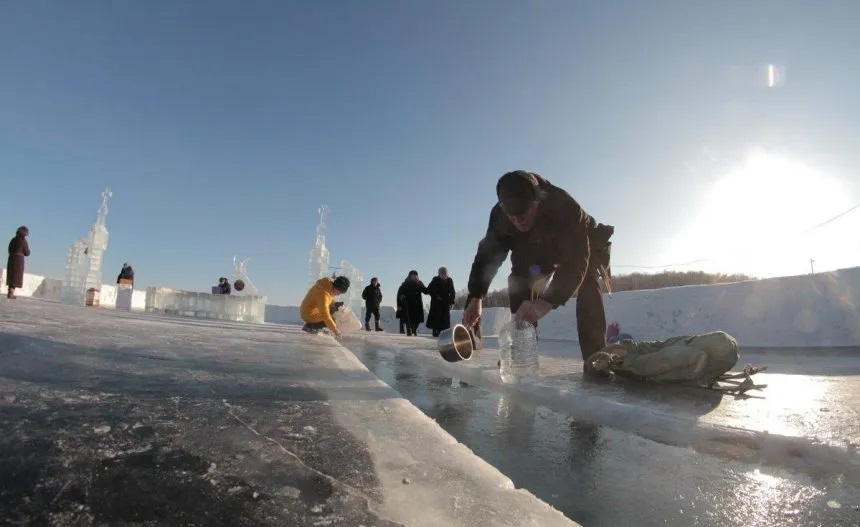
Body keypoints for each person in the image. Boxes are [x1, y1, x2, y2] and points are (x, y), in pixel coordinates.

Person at [463, 170, 614, 374]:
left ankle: (596, 360)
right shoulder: (500, 217)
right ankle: (521, 352)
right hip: (534, 250)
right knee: (519, 283)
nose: (518, 221)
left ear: (538, 200)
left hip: (585, 246)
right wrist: (476, 295)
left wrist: (547, 301)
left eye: (523, 214)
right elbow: (487, 255)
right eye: (512, 217)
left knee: (588, 285)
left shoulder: (565, 206)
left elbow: (577, 263)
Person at [425, 267, 456, 337]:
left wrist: (452, 302)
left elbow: (452, 292)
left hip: (445, 303)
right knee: (436, 317)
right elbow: (429, 290)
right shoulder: (435, 280)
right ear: (439, 274)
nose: (443, 276)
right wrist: (435, 296)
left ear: (447, 274)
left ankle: (443, 333)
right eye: (442, 274)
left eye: (445, 274)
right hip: (436, 303)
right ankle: (435, 331)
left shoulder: (450, 280)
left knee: (445, 319)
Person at [396, 270, 429, 336]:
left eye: (415, 275)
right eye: (413, 275)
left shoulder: (419, 283)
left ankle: (414, 329)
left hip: (417, 304)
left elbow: (426, 291)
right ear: (410, 276)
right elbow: (400, 293)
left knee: (418, 319)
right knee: (410, 319)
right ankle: (409, 330)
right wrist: (400, 302)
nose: (414, 276)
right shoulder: (405, 283)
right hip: (409, 304)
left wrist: (421, 284)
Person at [6, 226, 30, 299]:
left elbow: (9, 249)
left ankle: (10, 291)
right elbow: (27, 252)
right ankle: (11, 292)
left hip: (11, 258)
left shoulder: (13, 239)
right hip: (19, 260)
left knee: (11, 276)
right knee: (16, 277)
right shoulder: (23, 240)